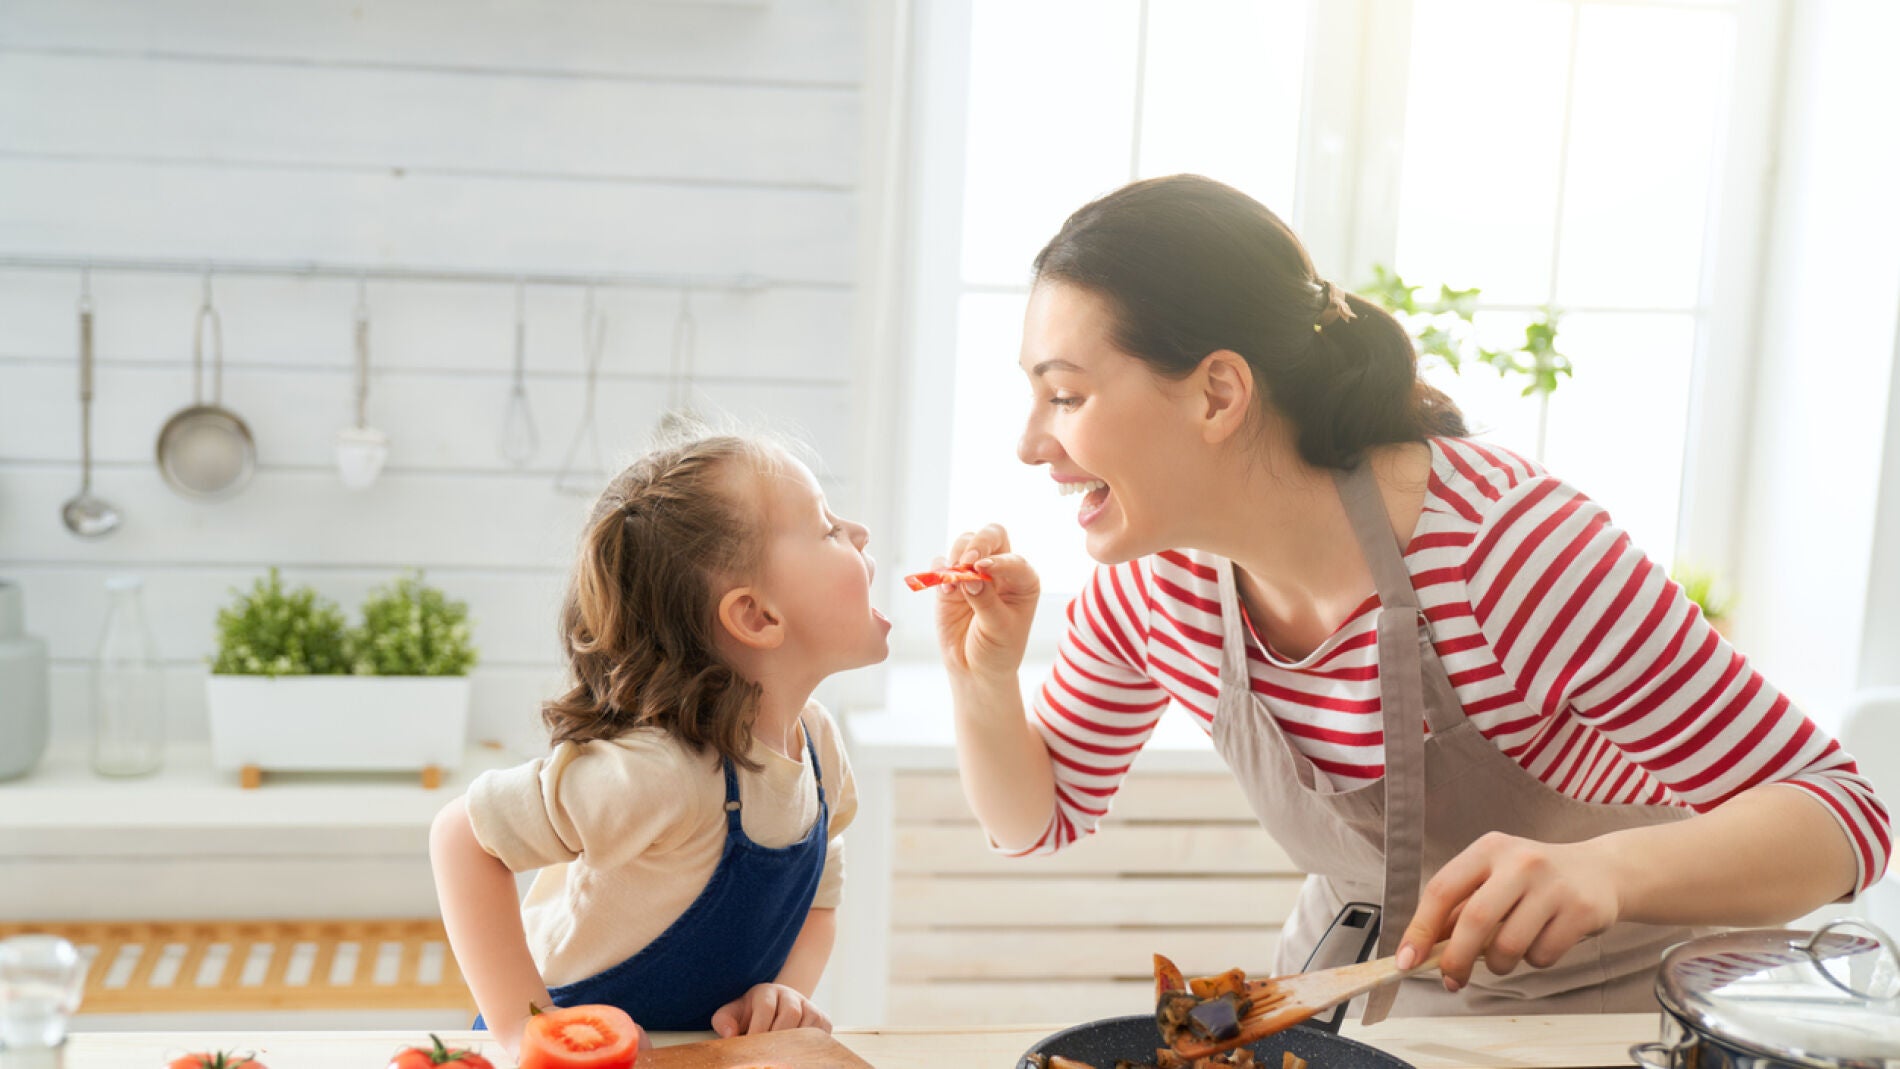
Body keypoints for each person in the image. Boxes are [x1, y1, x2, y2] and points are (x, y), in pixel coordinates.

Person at [933, 174, 1891, 1020]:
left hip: (1606, 1011)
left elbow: (1846, 817)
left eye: (1065, 396)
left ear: (1218, 393)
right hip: (1351, 1002)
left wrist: (1605, 870)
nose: (1031, 444)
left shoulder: (1508, 555)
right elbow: (1036, 819)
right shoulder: (1154, 588)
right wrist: (984, 676)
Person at [430, 432, 889, 1054]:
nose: (860, 532)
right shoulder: (664, 773)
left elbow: (819, 896)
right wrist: (523, 1025)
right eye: (828, 529)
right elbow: (462, 836)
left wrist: (783, 992)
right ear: (757, 616)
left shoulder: (818, 747)